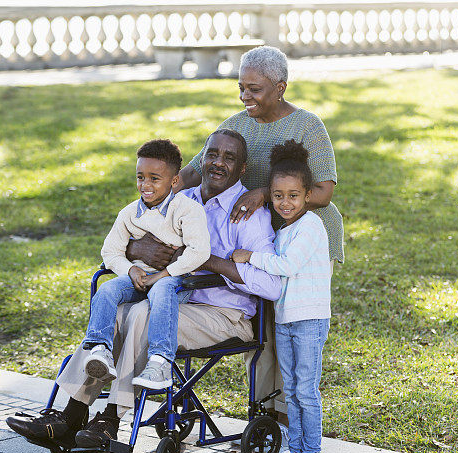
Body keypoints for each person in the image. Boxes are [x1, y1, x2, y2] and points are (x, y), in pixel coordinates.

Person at [6, 130, 281, 450]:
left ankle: (110, 420)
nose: (218, 163)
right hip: (174, 299)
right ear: (201, 158)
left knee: (138, 314)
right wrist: (142, 251)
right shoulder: (180, 201)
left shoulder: (249, 214)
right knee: (117, 312)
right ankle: (72, 415)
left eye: (229, 158)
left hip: (224, 313)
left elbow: (271, 284)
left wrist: (209, 262)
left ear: (242, 168)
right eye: (212, 154)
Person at [128, 45, 343, 417]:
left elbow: (323, 191)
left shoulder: (308, 125)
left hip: (300, 236)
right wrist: (155, 202)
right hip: (252, 234)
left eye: (255, 89)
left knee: (282, 323)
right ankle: (263, 411)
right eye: (241, 87)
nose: (246, 96)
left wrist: (264, 192)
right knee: (257, 314)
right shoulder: (236, 123)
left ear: (280, 87)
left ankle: (277, 413)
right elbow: (195, 171)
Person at [232, 140, 331, 453]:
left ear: (307, 196)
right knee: (290, 389)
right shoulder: (285, 228)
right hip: (287, 318)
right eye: (278, 196)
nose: (285, 203)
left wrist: (250, 257)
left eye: (293, 195)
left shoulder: (311, 226)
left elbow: (286, 265)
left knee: (306, 388)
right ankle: (294, 451)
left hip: (309, 319)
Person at [84, 139, 210, 392]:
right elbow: (110, 250)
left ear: (174, 181)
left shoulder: (188, 210)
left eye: (155, 178)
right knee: (107, 290)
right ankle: (100, 349)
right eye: (140, 177)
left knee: (163, 290)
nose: (146, 185)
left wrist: (163, 274)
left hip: (175, 279)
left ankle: (160, 361)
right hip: (139, 277)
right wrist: (130, 270)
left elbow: (200, 252)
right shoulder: (129, 213)